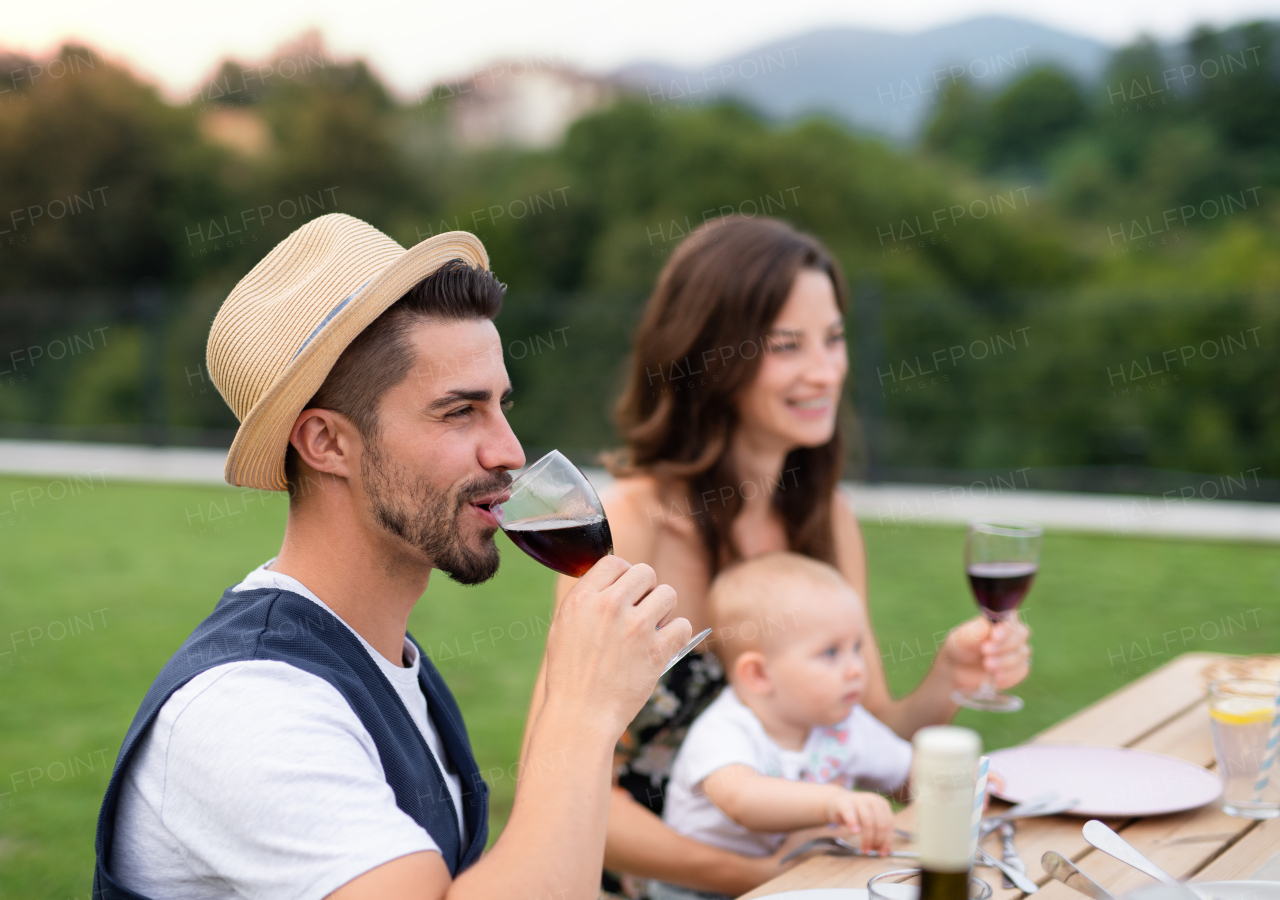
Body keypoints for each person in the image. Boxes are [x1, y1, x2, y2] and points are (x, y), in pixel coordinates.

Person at [92, 213, 691, 900]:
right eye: (459, 412)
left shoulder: (391, 662)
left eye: (500, 405)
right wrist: (583, 712)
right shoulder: (250, 710)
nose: (510, 451)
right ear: (326, 444)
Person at [521, 215, 1031, 898]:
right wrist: (761, 878)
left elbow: (859, 725)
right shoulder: (628, 527)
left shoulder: (825, 518)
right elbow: (558, 784)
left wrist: (948, 679)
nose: (825, 371)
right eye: (787, 345)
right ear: (710, 354)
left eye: (835, 338)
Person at [652, 552, 910, 900]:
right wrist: (832, 802)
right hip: (703, 892)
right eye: (831, 653)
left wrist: (961, 779)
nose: (856, 669)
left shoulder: (842, 722)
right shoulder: (724, 730)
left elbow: (906, 770)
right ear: (759, 674)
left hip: (802, 878)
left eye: (857, 647)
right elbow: (744, 800)